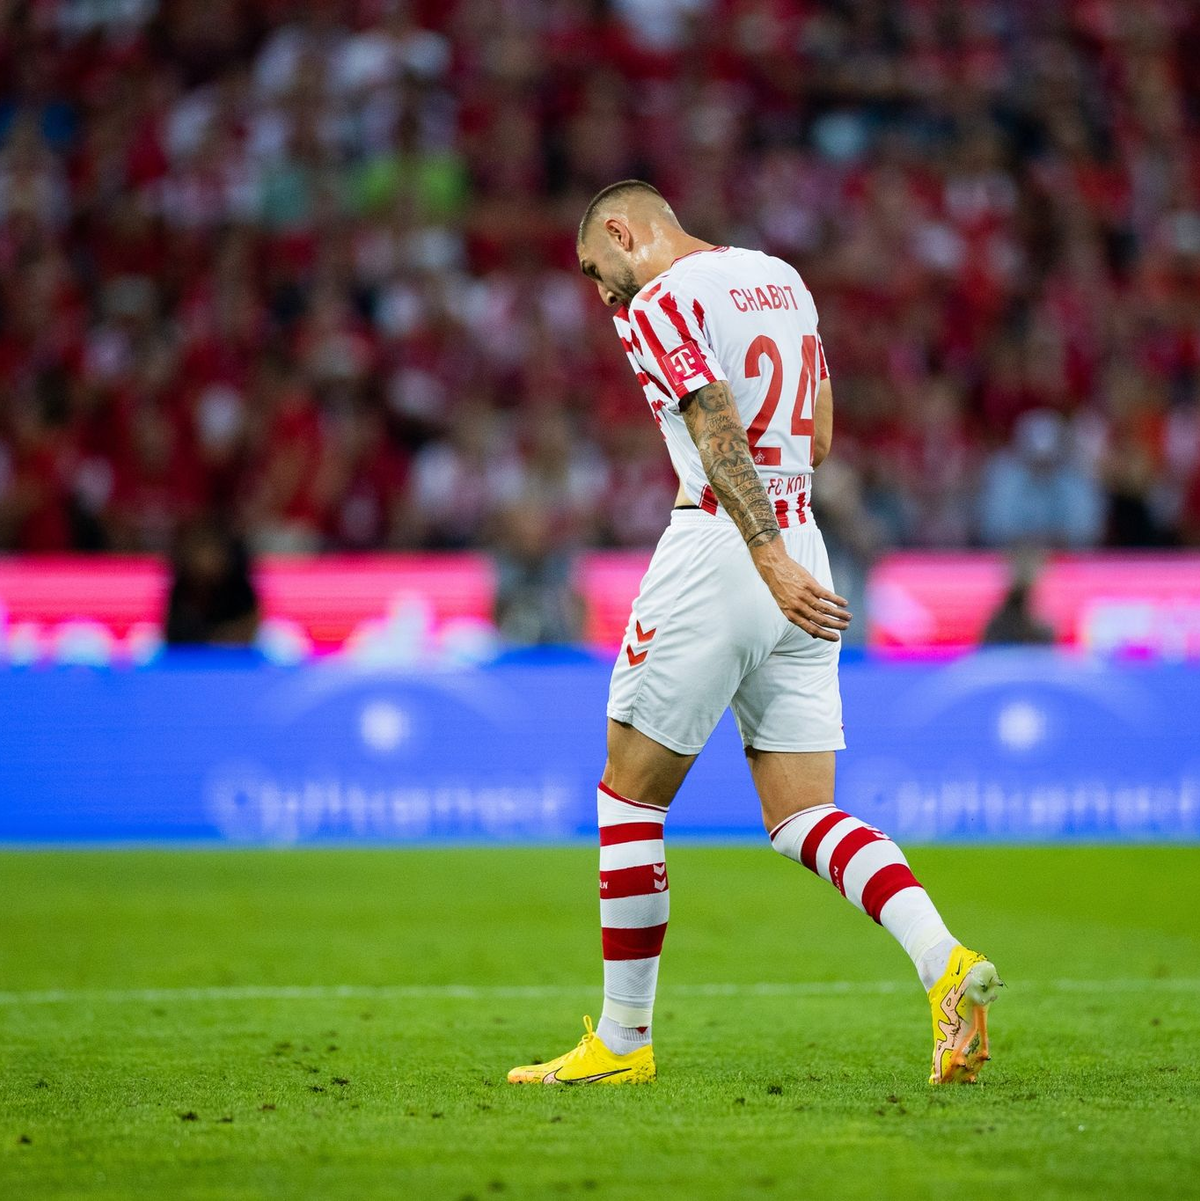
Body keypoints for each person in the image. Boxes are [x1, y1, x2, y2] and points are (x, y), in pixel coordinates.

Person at [508, 181, 1002, 1088]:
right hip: (805, 538)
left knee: (628, 796)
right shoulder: (782, 279)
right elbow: (819, 438)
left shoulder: (659, 302)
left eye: (594, 268)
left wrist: (762, 554)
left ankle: (621, 1041)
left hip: (728, 542)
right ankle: (947, 963)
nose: (601, 291)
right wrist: (783, 550)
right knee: (804, 813)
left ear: (623, 230)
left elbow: (714, 421)